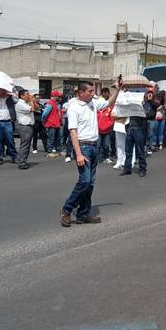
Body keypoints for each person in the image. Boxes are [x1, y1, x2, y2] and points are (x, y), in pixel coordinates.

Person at [60, 79, 121, 227]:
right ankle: (67, 209)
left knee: (90, 183)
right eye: (90, 91)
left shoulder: (92, 103)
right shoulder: (74, 108)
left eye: (93, 91)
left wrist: (117, 90)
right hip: (83, 147)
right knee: (85, 181)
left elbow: (108, 103)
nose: (93, 94)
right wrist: (78, 154)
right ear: (81, 93)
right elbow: (72, 132)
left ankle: (83, 214)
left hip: (95, 146)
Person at [120, 90, 150, 177]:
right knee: (128, 150)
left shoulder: (145, 104)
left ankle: (142, 168)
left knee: (140, 150)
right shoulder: (131, 106)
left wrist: (142, 107)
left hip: (139, 129)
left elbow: (148, 114)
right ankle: (127, 168)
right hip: (130, 128)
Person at [0, 88, 17, 166]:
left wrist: (14, 90)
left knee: (10, 140)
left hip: (8, 122)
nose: (3, 92)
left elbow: (19, 101)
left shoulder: (11, 98)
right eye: (1, 90)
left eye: (4, 90)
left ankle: (14, 156)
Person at [15, 89, 37, 170]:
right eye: (27, 94)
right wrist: (31, 100)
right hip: (25, 126)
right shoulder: (20, 104)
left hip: (28, 126)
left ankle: (20, 159)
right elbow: (32, 109)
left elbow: (36, 107)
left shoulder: (25, 103)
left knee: (24, 144)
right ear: (22, 96)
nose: (29, 95)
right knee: (25, 145)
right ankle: (22, 162)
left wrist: (32, 101)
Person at [42, 91, 63, 157]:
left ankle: (58, 150)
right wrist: (43, 120)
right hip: (52, 124)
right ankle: (49, 151)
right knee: (51, 138)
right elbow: (45, 114)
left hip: (56, 123)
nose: (60, 98)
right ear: (55, 96)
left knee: (57, 138)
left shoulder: (55, 104)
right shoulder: (50, 103)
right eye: (59, 97)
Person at [97, 87, 115, 163]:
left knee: (106, 145)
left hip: (107, 130)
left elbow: (112, 117)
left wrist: (111, 123)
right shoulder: (96, 109)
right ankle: (97, 158)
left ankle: (106, 157)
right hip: (98, 129)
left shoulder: (109, 107)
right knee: (98, 145)